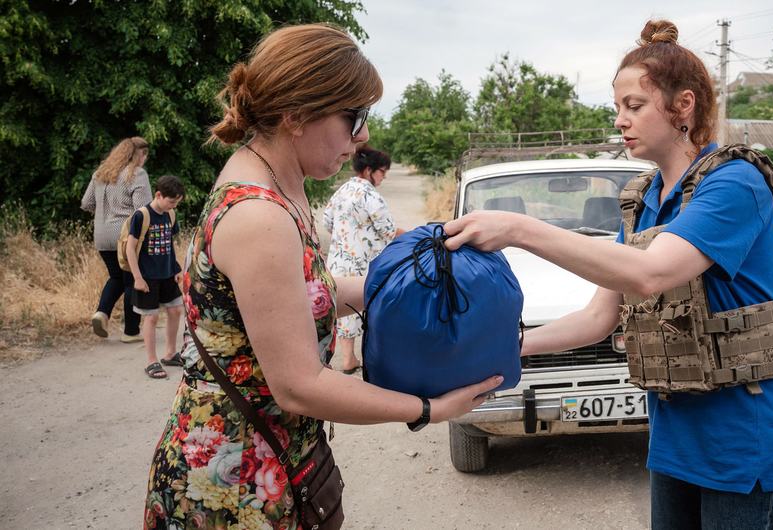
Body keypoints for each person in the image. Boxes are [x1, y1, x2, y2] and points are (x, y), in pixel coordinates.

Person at [443, 20, 773, 530]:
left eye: (634, 106)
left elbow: (650, 274)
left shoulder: (734, 183)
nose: (621, 121)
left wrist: (519, 228)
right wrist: (506, 347)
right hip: (677, 438)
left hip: (748, 442)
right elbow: (598, 318)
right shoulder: (646, 202)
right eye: (618, 108)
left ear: (684, 105)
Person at [144, 24, 501, 529]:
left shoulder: (274, 185)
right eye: (353, 118)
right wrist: (429, 408)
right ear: (295, 115)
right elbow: (299, 386)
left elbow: (313, 296)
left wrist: (430, 276)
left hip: (264, 464)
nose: (364, 138)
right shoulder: (260, 216)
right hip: (236, 486)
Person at [321, 145, 404, 374]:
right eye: (382, 172)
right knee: (371, 305)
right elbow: (387, 229)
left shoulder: (342, 190)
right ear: (369, 170)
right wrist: (412, 235)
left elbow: (327, 222)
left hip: (339, 259)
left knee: (345, 309)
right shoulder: (370, 195)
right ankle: (373, 358)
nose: (383, 177)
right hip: (364, 262)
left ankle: (348, 358)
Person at [81, 136, 151, 342]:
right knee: (131, 281)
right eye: (145, 155)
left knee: (116, 277)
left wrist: (106, 211)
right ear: (140, 155)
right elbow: (142, 209)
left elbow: (86, 203)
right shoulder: (137, 174)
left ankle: (101, 313)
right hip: (125, 236)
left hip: (102, 235)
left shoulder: (100, 174)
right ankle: (131, 332)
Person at [126, 175, 185, 379]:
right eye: (171, 201)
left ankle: (170, 353)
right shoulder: (142, 215)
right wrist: (137, 277)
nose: (173, 205)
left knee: (176, 310)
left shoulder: (171, 215)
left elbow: (170, 244)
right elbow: (130, 248)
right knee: (151, 316)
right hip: (147, 276)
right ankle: (152, 361)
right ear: (158, 195)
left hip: (168, 274)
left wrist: (177, 267)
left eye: (177, 202)